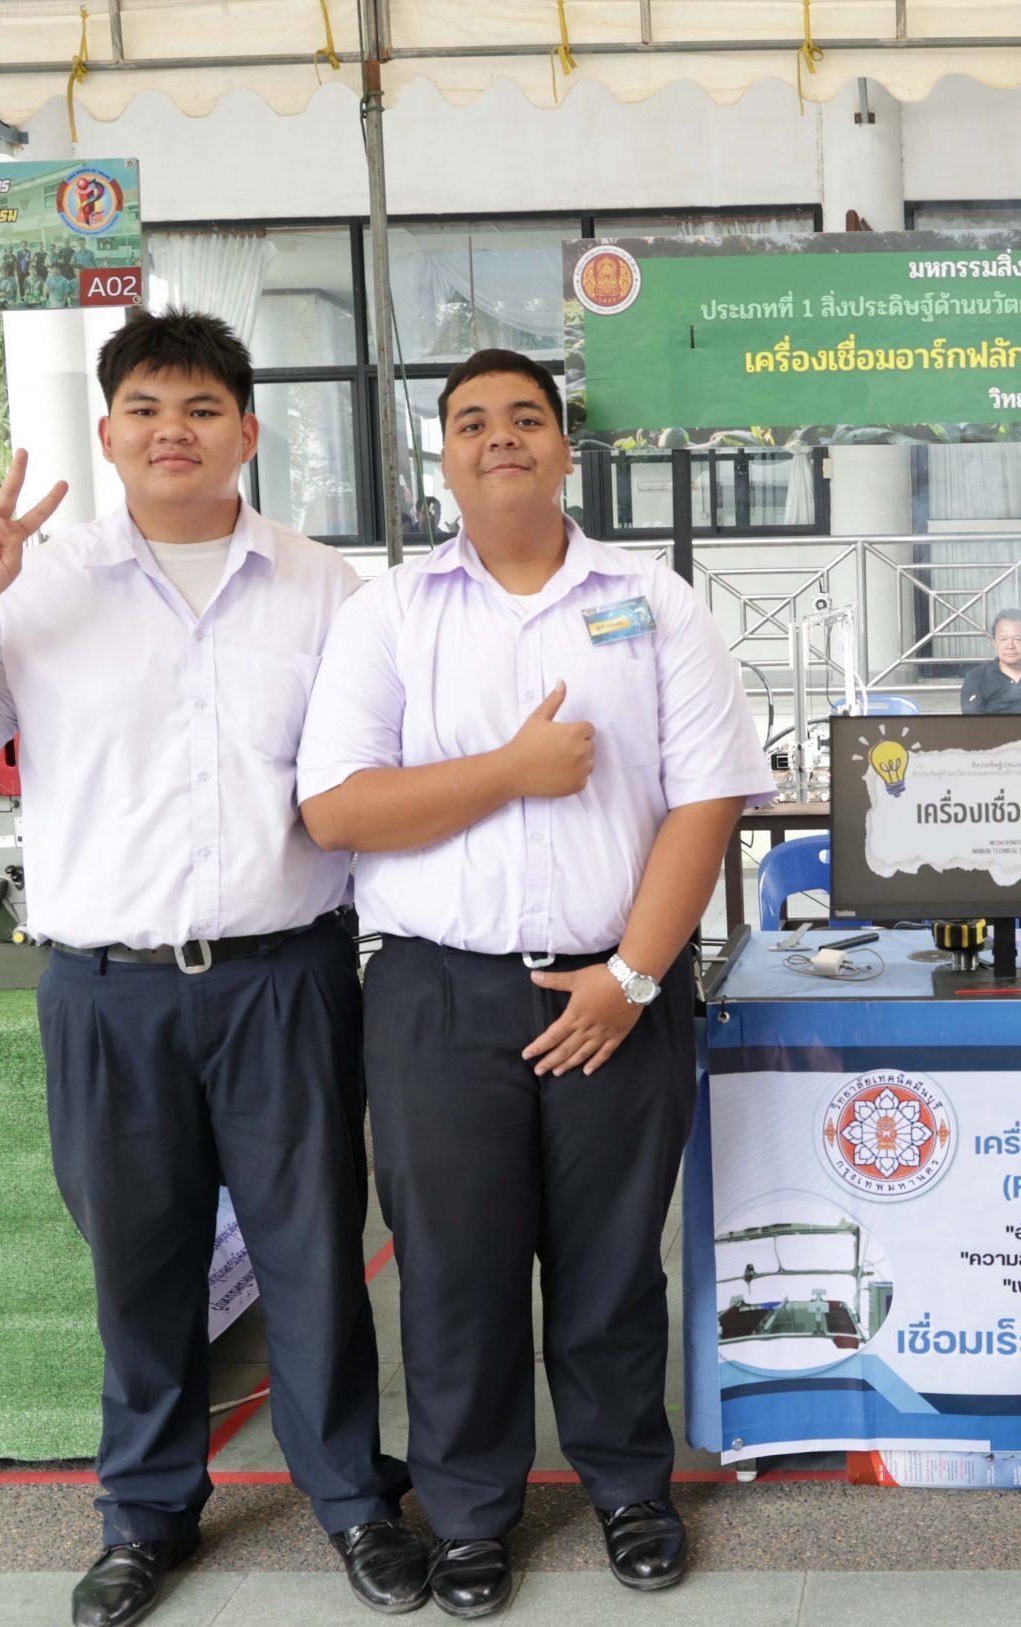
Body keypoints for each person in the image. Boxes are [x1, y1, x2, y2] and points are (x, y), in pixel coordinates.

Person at [0, 308, 421, 1627]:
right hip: (107, 990)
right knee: (139, 1263)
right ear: (109, 433)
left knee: (311, 1255)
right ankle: (147, 1513)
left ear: (247, 431)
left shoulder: (329, 589)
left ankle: (352, 1497)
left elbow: (382, 776)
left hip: (285, 977)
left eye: (202, 407)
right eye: (146, 408)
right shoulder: (34, 584)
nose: (175, 430)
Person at [298, 346, 773, 1618]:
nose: (498, 436)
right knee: (452, 1272)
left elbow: (707, 799)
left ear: (565, 448)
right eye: (471, 421)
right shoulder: (389, 615)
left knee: (613, 1261)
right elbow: (340, 809)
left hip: (620, 991)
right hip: (436, 999)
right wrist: (510, 770)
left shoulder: (653, 601)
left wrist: (632, 974)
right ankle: (468, 1514)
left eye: (524, 417)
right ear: (443, 457)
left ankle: (628, 1488)